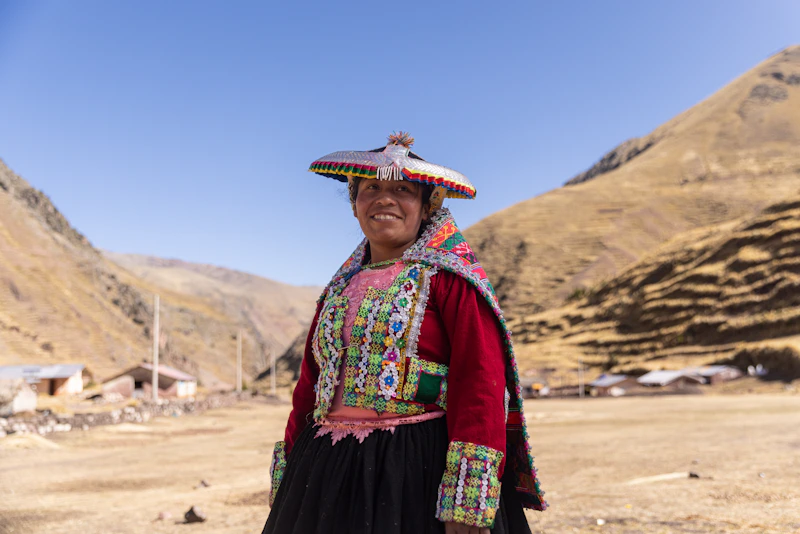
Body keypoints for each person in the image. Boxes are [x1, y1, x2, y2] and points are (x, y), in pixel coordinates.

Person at [262, 133, 546, 534]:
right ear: (355, 202)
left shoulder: (450, 280)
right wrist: (292, 469)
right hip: (325, 468)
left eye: (403, 190)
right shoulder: (339, 289)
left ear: (427, 205)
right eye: (371, 188)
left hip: (416, 467)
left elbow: (480, 381)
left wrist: (465, 503)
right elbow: (310, 385)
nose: (384, 199)